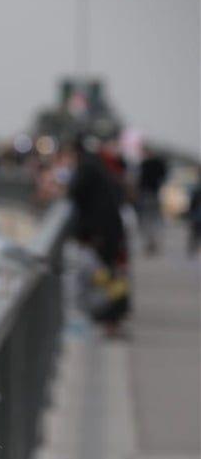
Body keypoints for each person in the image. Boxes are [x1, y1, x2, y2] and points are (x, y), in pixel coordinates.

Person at [67, 136, 130, 334]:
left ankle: (110, 320)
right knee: (110, 276)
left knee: (105, 278)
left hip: (101, 235)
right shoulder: (97, 165)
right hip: (108, 232)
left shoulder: (86, 167)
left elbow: (74, 191)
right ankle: (112, 321)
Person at [136, 146, 169, 254]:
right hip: (154, 193)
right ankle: (153, 242)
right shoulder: (159, 163)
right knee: (154, 219)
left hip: (146, 193)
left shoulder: (145, 164)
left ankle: (150, 242)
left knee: (146, 219)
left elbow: (139, 179)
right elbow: (164, 177)